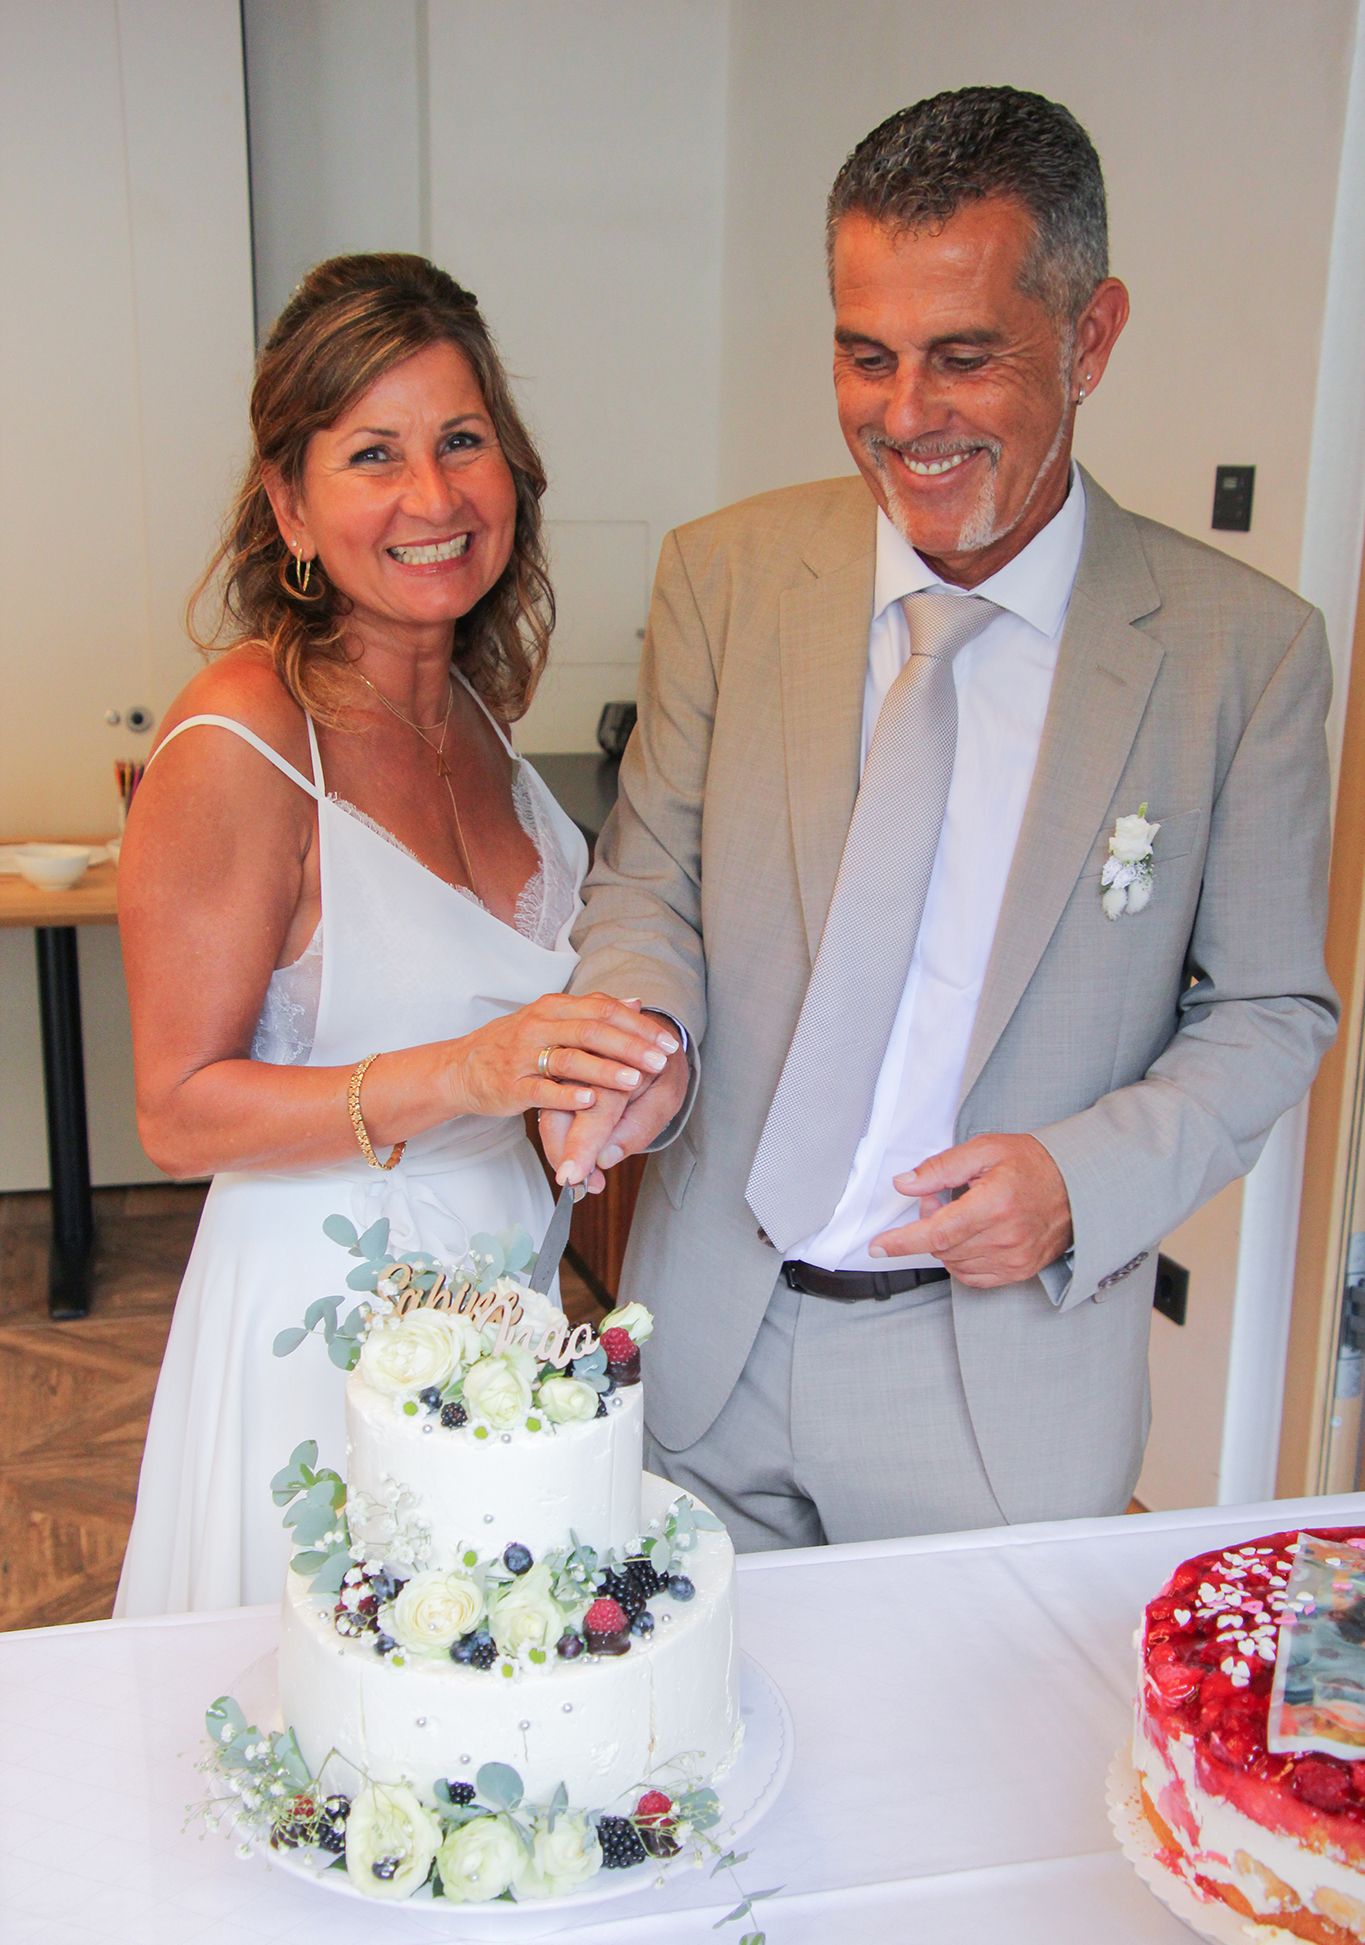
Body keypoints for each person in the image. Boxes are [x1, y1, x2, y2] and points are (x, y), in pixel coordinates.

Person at [542, 87, 1339, 1551]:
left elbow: (1269, 1007)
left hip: (1000, 1391)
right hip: (707, 1344)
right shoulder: (723, 577)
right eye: (866, 357)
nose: (904, 417)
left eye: (964, 358)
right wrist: (643, 1035)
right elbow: (648, 878)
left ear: (1090, 338)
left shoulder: (1245, 652)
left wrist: (1080, 1180)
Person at [114, 254, 677, 1614]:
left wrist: (621, 1082)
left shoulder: (478, 714)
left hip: (505, 1322)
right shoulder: (243, 735)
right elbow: (176, 1114)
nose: (433, 496)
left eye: (461, 441)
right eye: (374, 454)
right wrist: (468, 1074)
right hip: (316, 1345)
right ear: (290, 507)